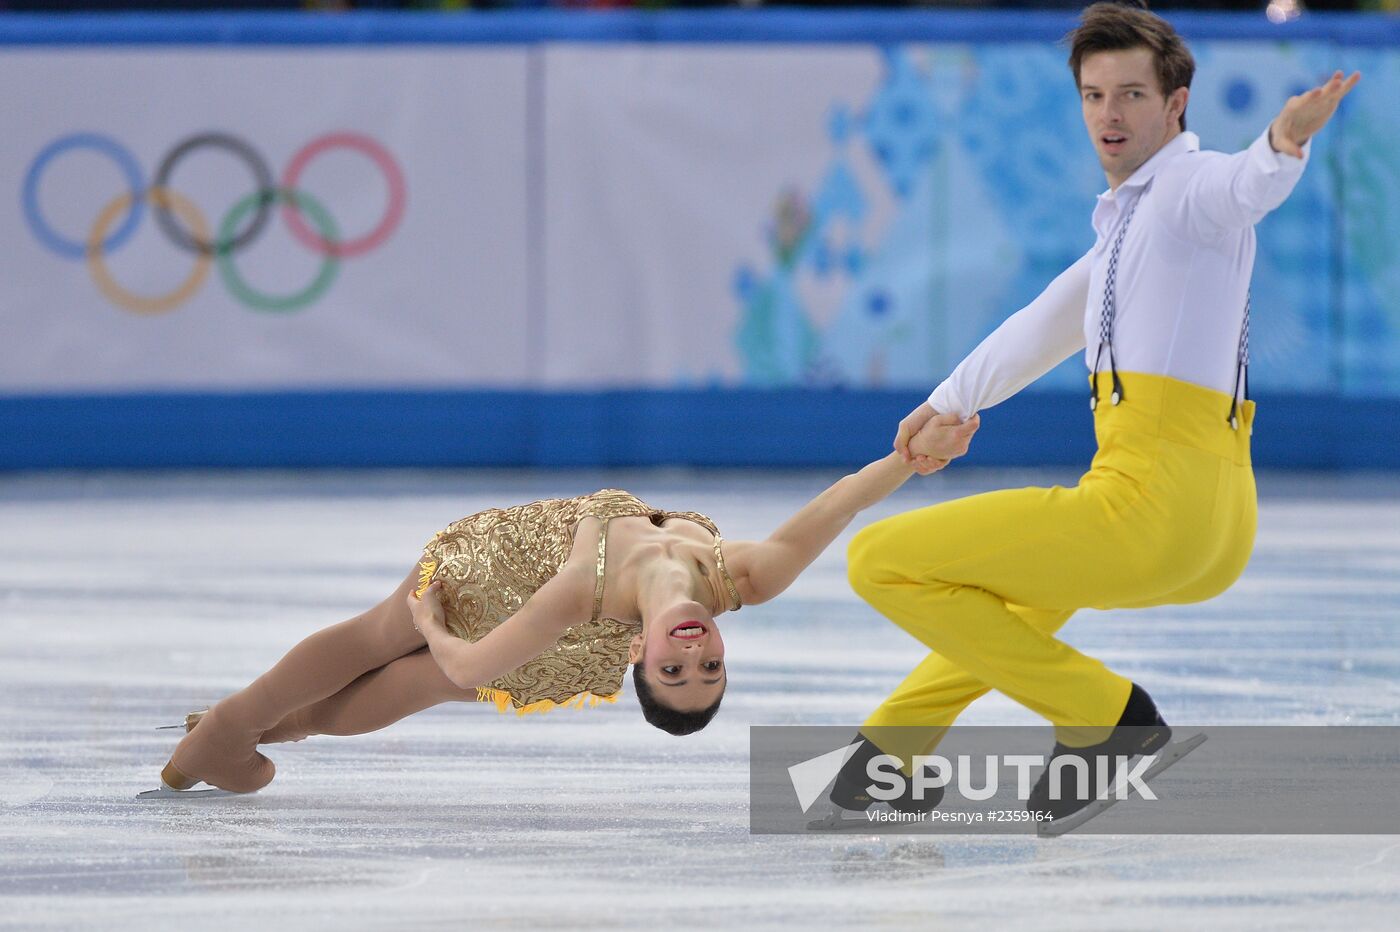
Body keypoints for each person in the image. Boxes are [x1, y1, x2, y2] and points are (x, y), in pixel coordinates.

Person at [833, 1, 1360, 820]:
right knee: (1005, 603)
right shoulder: (1127, 226)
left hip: (1149, 508)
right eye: (1092, 96)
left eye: (1131, 95)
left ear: (1176, 103)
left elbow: (1241, 185)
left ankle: (1110, 719)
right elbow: (1042, 324)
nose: (1109, 116)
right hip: (1213, 523)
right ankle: (890, 753)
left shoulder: (1187, 188)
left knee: (880, 560)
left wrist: (1283, 143)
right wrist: (948, 403)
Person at [147, 417, 979, 797]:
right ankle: (233, 731)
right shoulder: (747, 576)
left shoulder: (586, 591)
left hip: (533, 621)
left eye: (675, 672)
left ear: (638, 660)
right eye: (710, 667)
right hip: (512, 562)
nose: (693, 652)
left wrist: (434, 625)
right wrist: (914, 455)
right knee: (378, 638)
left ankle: (243, 730)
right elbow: (839, 504)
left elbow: (468, 664)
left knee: (415, 663)